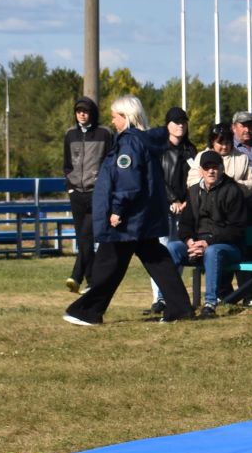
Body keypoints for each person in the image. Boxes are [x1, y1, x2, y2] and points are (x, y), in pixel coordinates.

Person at [62, 97, 194, 326]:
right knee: (157, 260)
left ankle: (88, 311)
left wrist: (117, 210)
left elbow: (128, 181)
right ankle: (180, 307)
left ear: (127, 117)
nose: (112, 121)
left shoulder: (129, 144)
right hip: (141, 216)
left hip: (128, 217)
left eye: (115, 116)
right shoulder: (140, 141)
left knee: (108, 263)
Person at [180, 149, 252, 319]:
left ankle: (210, 304)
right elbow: (185, 224)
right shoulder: (193, 191)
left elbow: (236, 229)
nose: (211, 171)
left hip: (229, 247)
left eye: (215, 167)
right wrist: (190, 241)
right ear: (201, 171)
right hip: (198, 245)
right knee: (172, 248)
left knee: (213, 252)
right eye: (207, 168)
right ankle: (169, 301)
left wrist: (208, 243)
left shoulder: (232, 191)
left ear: (222, 169)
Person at [62, 95, 114, 293]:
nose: (82, 114)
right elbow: (66, 164)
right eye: (78, 111)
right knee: (83, 239)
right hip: (76, 193)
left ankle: (76, 275)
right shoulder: (69, 135)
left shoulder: (104, 133)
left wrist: (104, 186)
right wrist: (70, 186)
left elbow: (110, 162)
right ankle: (92, 281)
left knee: (86, 235)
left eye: (85, 111)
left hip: (97, 193)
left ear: (92, 112)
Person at [149, 108, 198, 315]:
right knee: (160, 251)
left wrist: (186, 201)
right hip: (161, 206)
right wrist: (171, 199)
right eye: (176, 121)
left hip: (185, 209)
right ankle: (158, 298)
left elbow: (196, 178)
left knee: (176, 251)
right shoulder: (158, 148)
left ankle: (171, 295)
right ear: (167, 124)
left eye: (183, 122)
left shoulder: (191, 150)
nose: (180, 125)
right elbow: (156, 176)